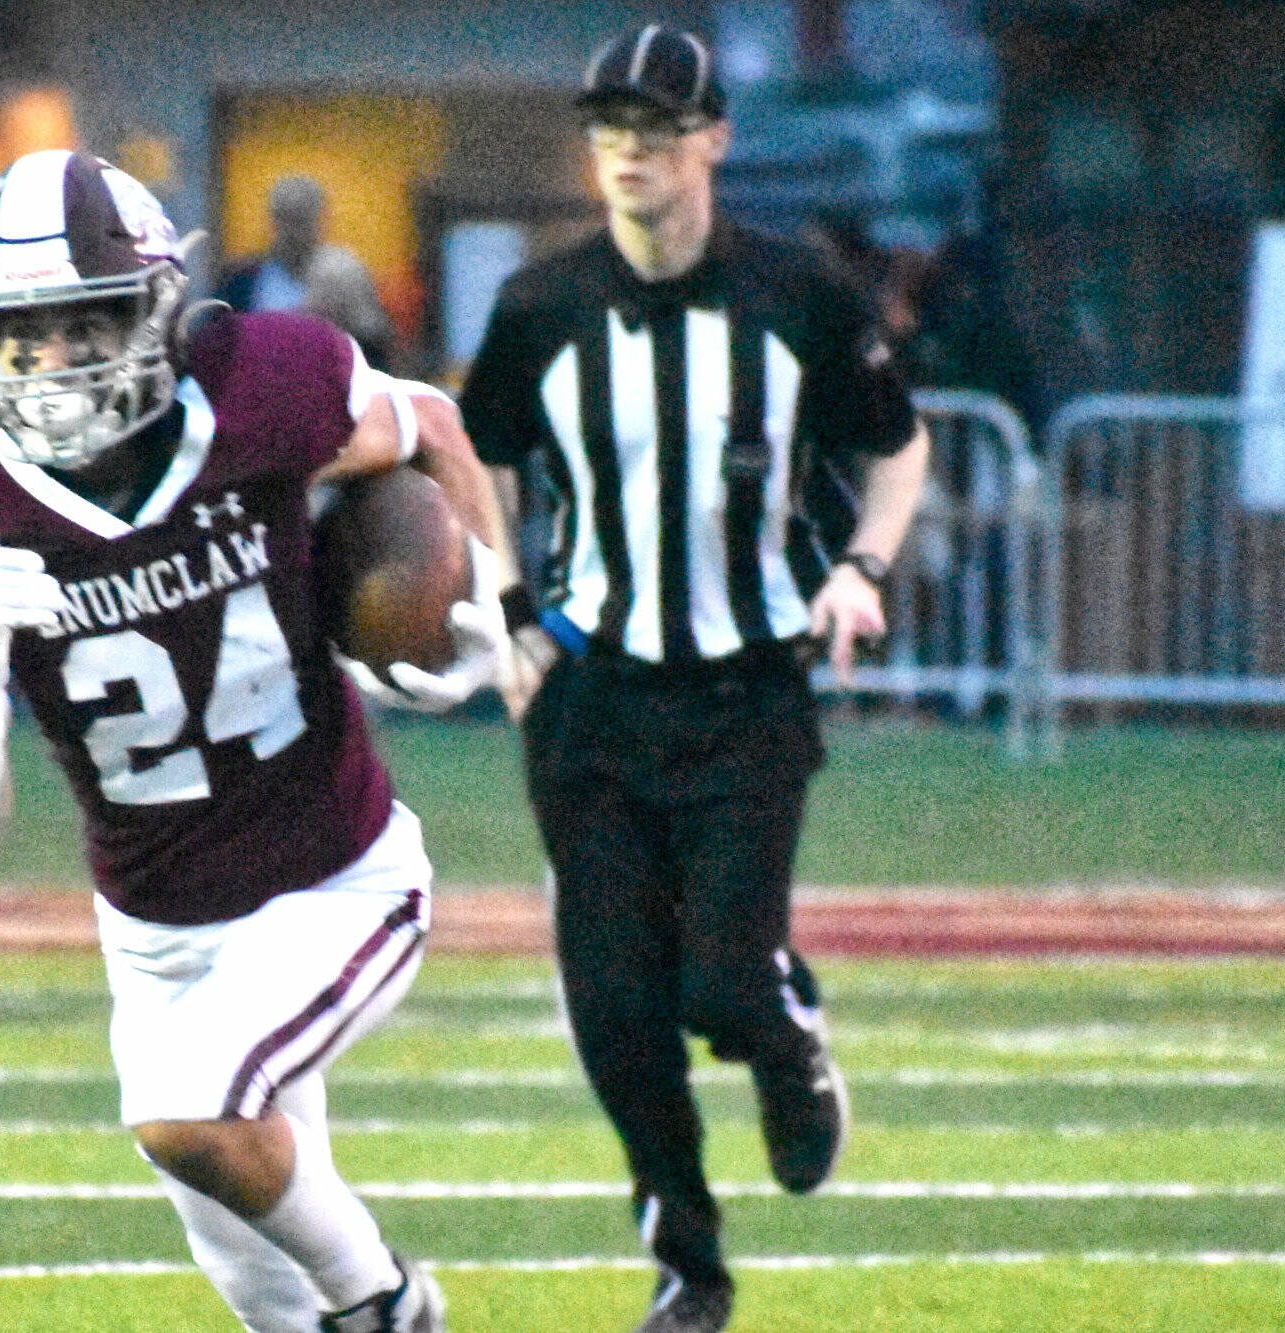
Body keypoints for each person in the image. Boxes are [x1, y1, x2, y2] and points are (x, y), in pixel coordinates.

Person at [0, 148, 516, 1332]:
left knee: (184, 1116)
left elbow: (429, 426)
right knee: (257, 1287)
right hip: (152, 928)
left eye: (82, 323)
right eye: (16, 333)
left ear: (154, 309)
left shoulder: (261, 391)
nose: (48, 364)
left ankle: (390, 1303)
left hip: (332, 876)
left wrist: (493, 616)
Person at [458, 26, 929, 1333]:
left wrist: (864, 570)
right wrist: (513, 607)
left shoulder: (800, 295)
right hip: (593, 697)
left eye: (656, 131)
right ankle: (690, 1269)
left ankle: (784, 1034)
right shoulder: (540, 307)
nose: (628, 155)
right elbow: (480, 449)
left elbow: (898, 447)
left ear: (714, 140)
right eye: (609, 130)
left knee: (717, 982)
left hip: (746, 695)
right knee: (617, 1009)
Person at [216, 175, 396, 371]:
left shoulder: (344, 275)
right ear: (273, 220)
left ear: (319, 220)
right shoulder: (244, 278)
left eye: (302, 219)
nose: (293, 230)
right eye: (286, 218)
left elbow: (374, 348)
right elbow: (221, 343)